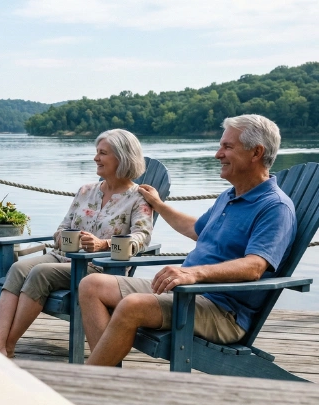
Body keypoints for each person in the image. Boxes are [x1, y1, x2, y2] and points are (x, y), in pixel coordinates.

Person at [79, 114, 296, 366]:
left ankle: (90, 378)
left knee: (132, 305)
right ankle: (106, 375)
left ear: (256, 152)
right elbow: (196, 229)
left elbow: (255, 266)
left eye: (227, 147)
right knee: (91, 285)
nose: (218, 154)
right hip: (186, 294)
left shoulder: (274, 207)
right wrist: (158, 204)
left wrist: (192, 273)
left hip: (223, 312)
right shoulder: (230, 196)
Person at [0, 129, 153, 358]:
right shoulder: (86, 191)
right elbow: (61, 229)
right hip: (62, 257)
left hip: (99, 269)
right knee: (17, 268)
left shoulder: (139, 198)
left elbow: (141, 238)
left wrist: (103, 245)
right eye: (97, 152)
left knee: (40, 273)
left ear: (122, 157)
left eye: (102, 153)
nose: (96, 158)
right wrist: (67, 239)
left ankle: (7, 345)